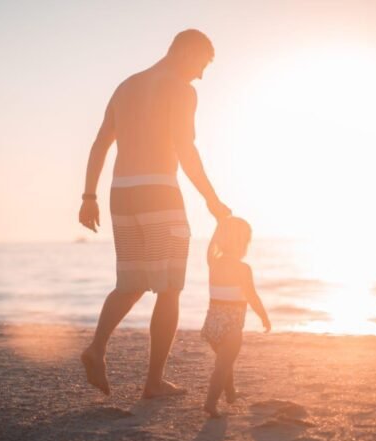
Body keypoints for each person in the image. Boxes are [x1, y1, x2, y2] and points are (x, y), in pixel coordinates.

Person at [78, 29, 231, 398]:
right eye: (201, 64)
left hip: (121, 193)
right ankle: (153, 383)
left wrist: (88, 196)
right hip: (159, 192)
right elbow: (185, 149)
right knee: (169, 288)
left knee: (130, 284)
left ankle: (96, 348)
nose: (200, 75)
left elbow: (101, 142)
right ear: (186, 52)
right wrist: (211, 199)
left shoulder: (126, 86)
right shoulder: (180, 89)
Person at [201, 217, 270, 417]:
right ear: (243, 244)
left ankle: (230, 392)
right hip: (231, 324)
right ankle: (210, 402)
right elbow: (252, 296)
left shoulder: (213, 262)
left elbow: (210, 246)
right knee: (222, 367)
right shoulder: (243, 269)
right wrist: (264, 317)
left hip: (212, 324)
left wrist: (218, 225)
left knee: (225, 361)